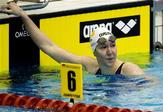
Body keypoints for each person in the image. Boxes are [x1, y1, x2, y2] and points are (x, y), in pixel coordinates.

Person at [2, 2, 144, 76]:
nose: (110, 52)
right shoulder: (89, 66)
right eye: (103, 47)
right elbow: (49, 47)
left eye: (112, 45)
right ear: (94, 51)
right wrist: (22, 14)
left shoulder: (129, 70)